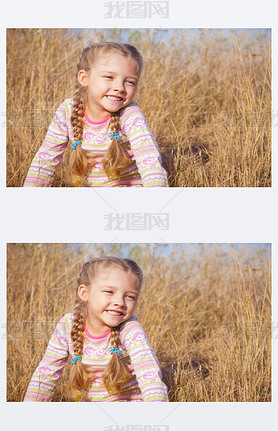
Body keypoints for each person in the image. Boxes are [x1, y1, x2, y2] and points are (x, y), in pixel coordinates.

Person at [23, 42, 168, 187]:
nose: (120, 88)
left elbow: (149, 160)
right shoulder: (67, 110)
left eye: (129, 82)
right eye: (109, 77)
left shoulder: (129, 114)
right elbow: (45, 160)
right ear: (84, 78)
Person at [24, 257, 169, 402]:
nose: (120, 302)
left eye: (130, 296)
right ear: (84, 293)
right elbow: (46, 374)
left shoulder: (129, 328)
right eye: (109, 292)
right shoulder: (67, 325)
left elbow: (149, 375)